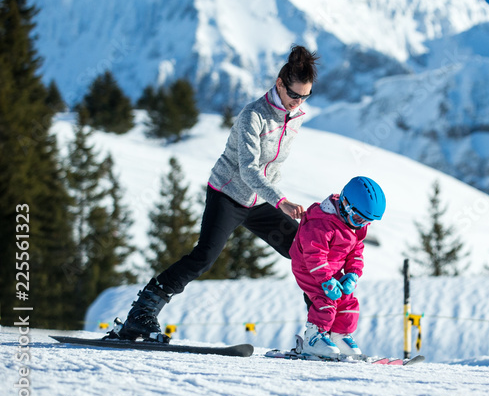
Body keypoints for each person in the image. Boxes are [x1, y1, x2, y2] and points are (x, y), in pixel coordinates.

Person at [109, 45, 320, 341]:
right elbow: (248, 170)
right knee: (204, 257)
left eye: (305, 96)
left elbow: (271, 165)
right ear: (279, 84)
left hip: (259, 200)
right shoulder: (254, 115)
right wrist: (281, 201)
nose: (297, 103)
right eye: (293, 94)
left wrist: (275, 199)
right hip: (228, 194)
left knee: (303, 251)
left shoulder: (292, 116)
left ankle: (320, 330)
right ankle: (141, 315)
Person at [291, 176, 386, 358]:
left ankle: (339, 336)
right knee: (325, 300)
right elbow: (314, 256)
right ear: (345, 204)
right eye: (358, 218)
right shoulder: (320, 223)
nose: (361, 225)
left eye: (366, 221)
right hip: (308, 268)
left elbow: (356, 251)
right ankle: (314, 338)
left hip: (331, 269)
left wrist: (353, 274)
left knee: (349, 301)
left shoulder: (354, 227)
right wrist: (326, 281)